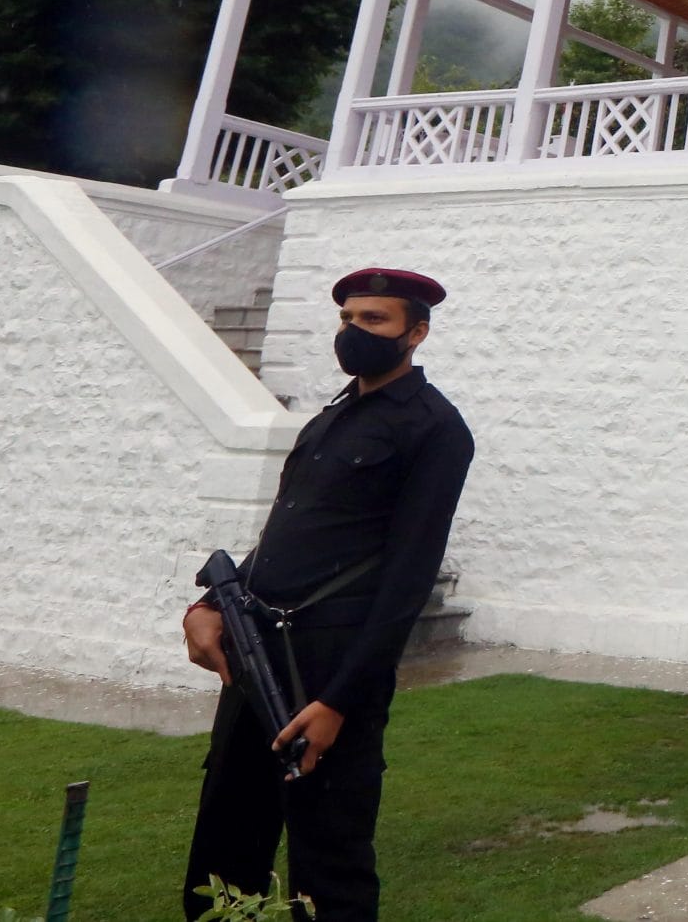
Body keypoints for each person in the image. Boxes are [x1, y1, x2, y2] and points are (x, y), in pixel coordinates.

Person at [181, 269, 474, 921]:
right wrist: (207, 606)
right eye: (348, 319)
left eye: (375, 320)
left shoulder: (435, 428)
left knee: (329, 871)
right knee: (224, 850)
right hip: (254, 649)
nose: (354, 331)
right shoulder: (333, 416)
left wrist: (338, 700)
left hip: (331, 667)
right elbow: (289, 531)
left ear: (416, 332)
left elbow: (407, 582)